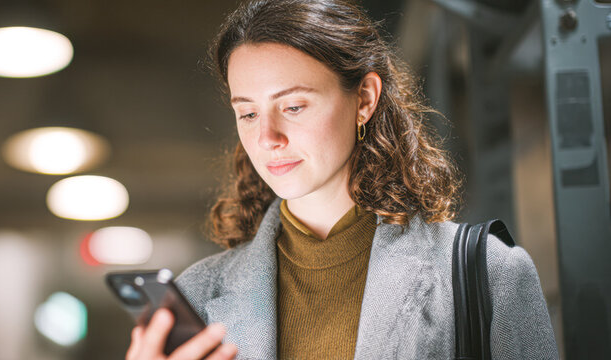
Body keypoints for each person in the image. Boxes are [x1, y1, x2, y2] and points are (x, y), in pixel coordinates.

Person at [125, 0, 559, 359]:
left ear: (365, 99)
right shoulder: (197, 296)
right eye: (249, 113)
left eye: (294, 106)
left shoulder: (487, 273)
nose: (267, 138)